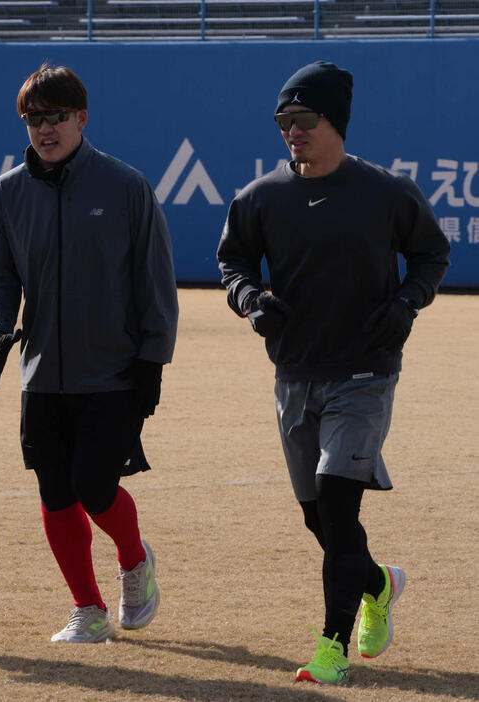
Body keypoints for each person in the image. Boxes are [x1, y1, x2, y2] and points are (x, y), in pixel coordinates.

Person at [217, 61, 450, 684]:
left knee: (339, 508)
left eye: (303, 119)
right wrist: (249, 299)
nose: (291, 131)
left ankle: (330, 648)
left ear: (334, 122)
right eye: (283, 121)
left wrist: (406, 303)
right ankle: (378, 583)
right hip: (294, 373)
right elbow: (233, 261)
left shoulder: (386, 191)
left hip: (365, 373)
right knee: (318, 518)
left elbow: (431, 254)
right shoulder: (259, 197)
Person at [0, 63, 179, 643]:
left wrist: (151, 361)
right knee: (54, 491)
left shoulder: (125, 186)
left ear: (81, 118)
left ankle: (135, 559)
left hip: (114, 373)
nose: (44, 129)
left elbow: (155, 281)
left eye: (56, 116)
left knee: (95, 487)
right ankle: (88, 611)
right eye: (34, 118)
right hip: (41, 373)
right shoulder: (6, 193)